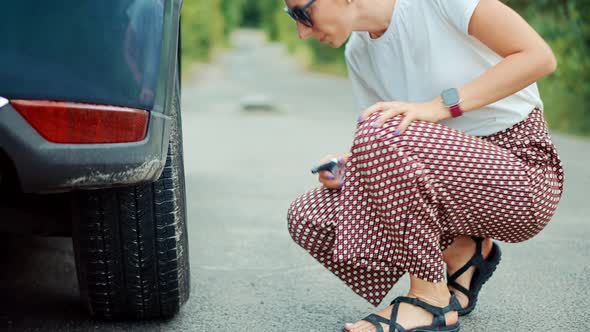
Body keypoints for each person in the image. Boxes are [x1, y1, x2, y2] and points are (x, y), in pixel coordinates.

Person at [284, 0, 565, 331]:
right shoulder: (358, 53)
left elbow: (538, 57)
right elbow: (390, 144)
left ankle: (429, 301)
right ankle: (464, 252)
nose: (302, 31)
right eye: (292, 17)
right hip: (450, 184)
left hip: (522, 175)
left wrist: (441, 106)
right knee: (310, 217)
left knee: (380, 131)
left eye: (302, 13)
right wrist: (353, 166)